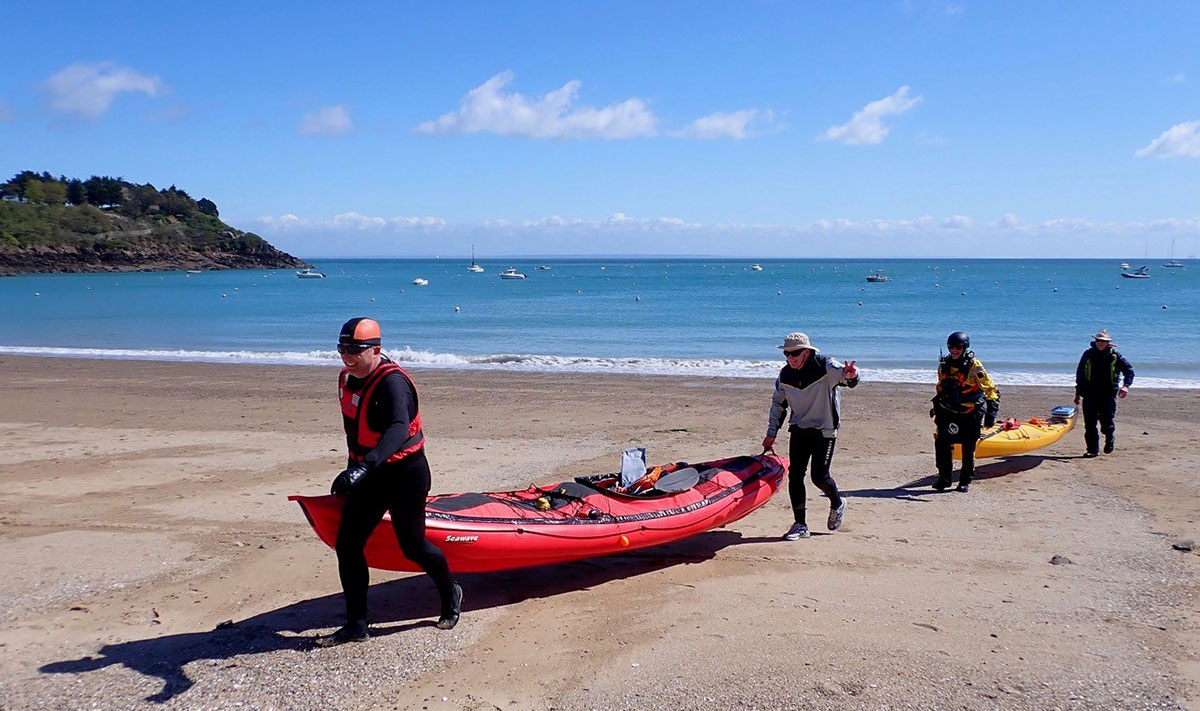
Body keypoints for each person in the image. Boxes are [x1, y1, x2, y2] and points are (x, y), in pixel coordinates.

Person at [315, 317, 462, 647]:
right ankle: (357, 624)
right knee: (348, 545)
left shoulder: (393, 383)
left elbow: (397, 429)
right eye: (342, 349)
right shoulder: (347, 379)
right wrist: (354, 468)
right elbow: (355, 432)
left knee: (413, 546)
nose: (346, 356)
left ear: (376, 350)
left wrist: (363, 467)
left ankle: (450, 591)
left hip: (405, 475)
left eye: (354, 349)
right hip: (369, 473)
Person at [761, 332, 859, 541]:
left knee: (819, 477)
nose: (790, 358)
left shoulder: (825, 366)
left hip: (825, 429)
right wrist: (771, 433)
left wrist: (852, 376)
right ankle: (800, 524)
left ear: (807, 351)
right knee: (795, 475)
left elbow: (847, 376)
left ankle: (837, 502)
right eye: (786, 354)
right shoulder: (785, 375)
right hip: (799, 428)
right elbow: (778, 405)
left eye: (795, 353)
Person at [930, 331, 1000, 493]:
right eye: (951, 347)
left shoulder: (974, 367)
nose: (954, 350)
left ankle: (965, 480)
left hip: (970, 411)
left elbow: (991, 389)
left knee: (968, 448)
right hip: (949, 410)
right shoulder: (944, 365)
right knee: (942, 444)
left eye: (958, 347)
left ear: (965, 347)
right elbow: (941, 386)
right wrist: (937, 408)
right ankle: (944, 478)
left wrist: (991, 413)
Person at [1074, 329, 1134, 457]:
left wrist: (1125, 386)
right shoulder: (1088, 354)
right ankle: (1092, 450)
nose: (1100, 343)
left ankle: (1109, 437)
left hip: (1108, 393)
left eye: (1103, 341)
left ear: (1108, 342)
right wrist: (1077, 393)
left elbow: (1129, 371)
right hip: (1090, 393)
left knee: (1106, 423)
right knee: (1090, 424)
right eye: (1098, 340)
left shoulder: (1115, 355)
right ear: (1094, 341)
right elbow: (1080, 374)